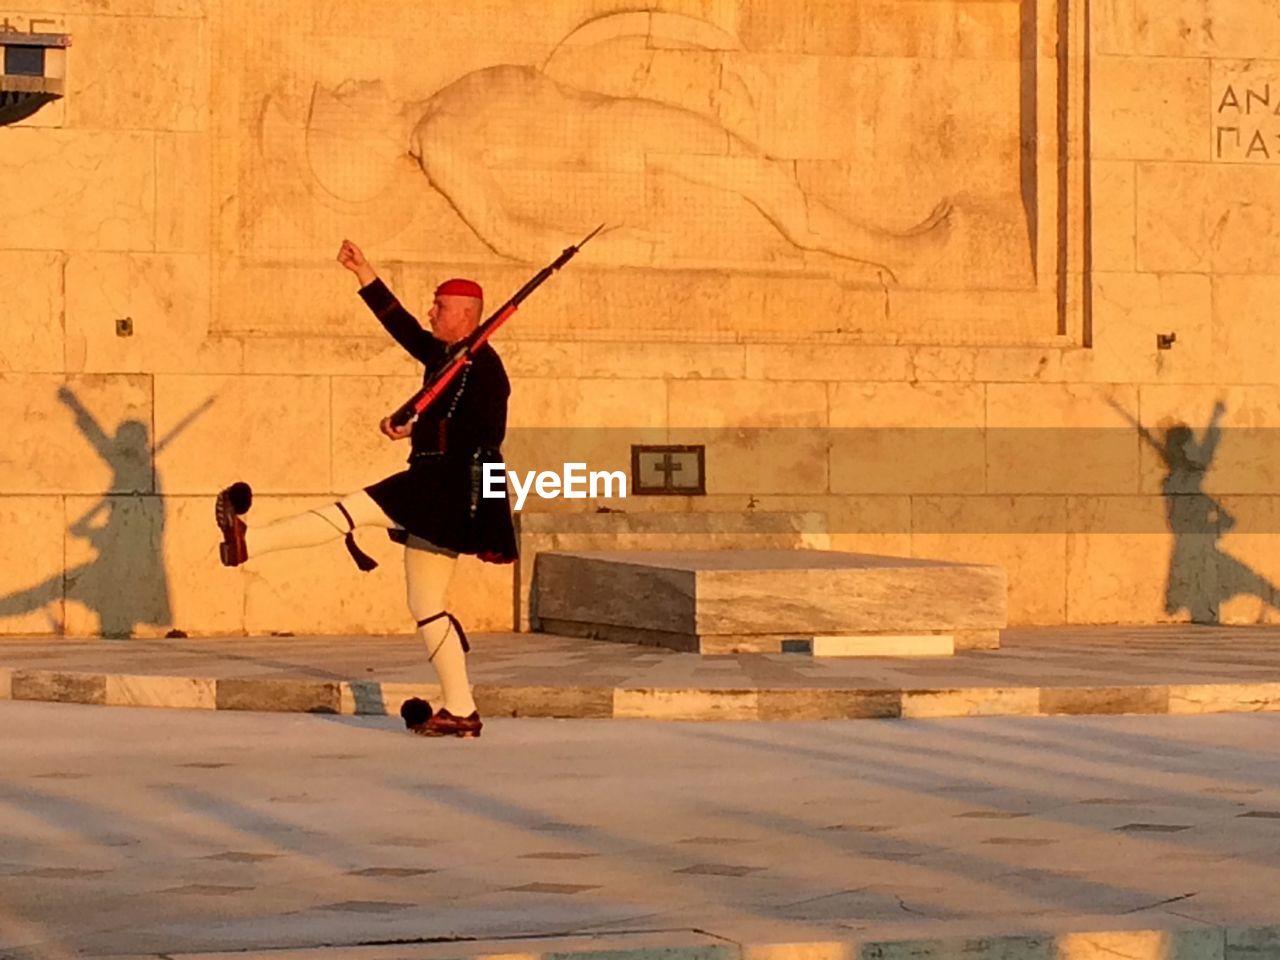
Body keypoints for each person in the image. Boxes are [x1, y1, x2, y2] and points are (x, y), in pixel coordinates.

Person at [214, 239, 518, 738]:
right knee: (426, 605)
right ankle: (461, 709)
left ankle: (252, 541)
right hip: (436, 493)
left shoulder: (484, 369)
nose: (432, 313)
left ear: (467, 315)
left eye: (440, 308)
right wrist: (364, 273)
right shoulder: (444, 356)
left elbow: (484, 441)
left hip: (445, 489)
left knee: (352, 509)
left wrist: (415, 426)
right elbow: (402, 328)